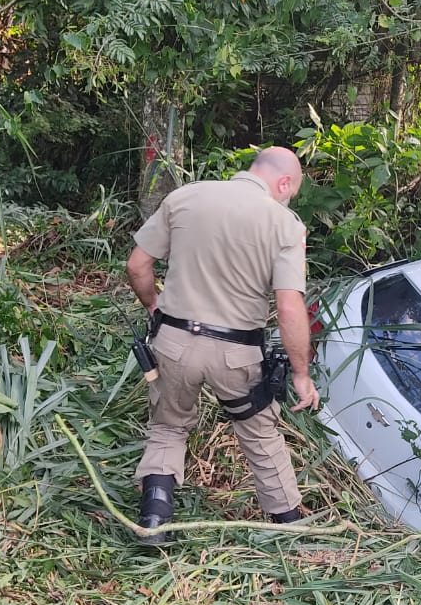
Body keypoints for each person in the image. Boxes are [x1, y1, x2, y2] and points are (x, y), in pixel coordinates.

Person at [125, 146, 320, 545]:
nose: (289, 198)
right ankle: (290, 525)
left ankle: (155, 517)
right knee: (261, 433)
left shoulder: (185, 197)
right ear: (284, 182)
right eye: (292, 191)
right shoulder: (285, 225)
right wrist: (301, 374)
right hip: (237, 353)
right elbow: (288, 306)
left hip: (174, 343)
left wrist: (153, 306)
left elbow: (137, 265)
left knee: (167, 425)